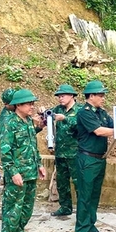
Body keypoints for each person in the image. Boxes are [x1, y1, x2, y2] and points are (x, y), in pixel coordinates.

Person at [0, 89, 46, 232]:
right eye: (29, 104)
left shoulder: (26, 122)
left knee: (26, 208)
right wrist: (13, 172)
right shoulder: (8, 123)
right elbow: (5, 152)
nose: (32, 107)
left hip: (30, 172)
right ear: (18, 105)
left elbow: (33, 146)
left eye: (33, 103)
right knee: (12, 209)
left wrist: (39, 164)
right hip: (17, 175)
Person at [74, 80, 114, 232]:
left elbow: (113, 125)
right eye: (100, 95)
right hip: (87, 159)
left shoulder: (102, 113)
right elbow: (99, 131)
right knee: (85, 196)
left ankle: (91, 227)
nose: (103, 98)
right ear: (91, 96)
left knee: (94, 195)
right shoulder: (85, 113)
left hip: (99, 159)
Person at [50, 84, 82, 217]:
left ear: (72, 96)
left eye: (63, 96)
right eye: (59, 96)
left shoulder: (80, 109)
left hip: (75, 153)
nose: (60, 98)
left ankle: (82, 210)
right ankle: (65, 207)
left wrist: (65, 118)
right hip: (60, 153)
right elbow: (49, 115)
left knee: (78, 182)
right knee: (62, 182)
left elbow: (81, 125)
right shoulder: (58, 109)